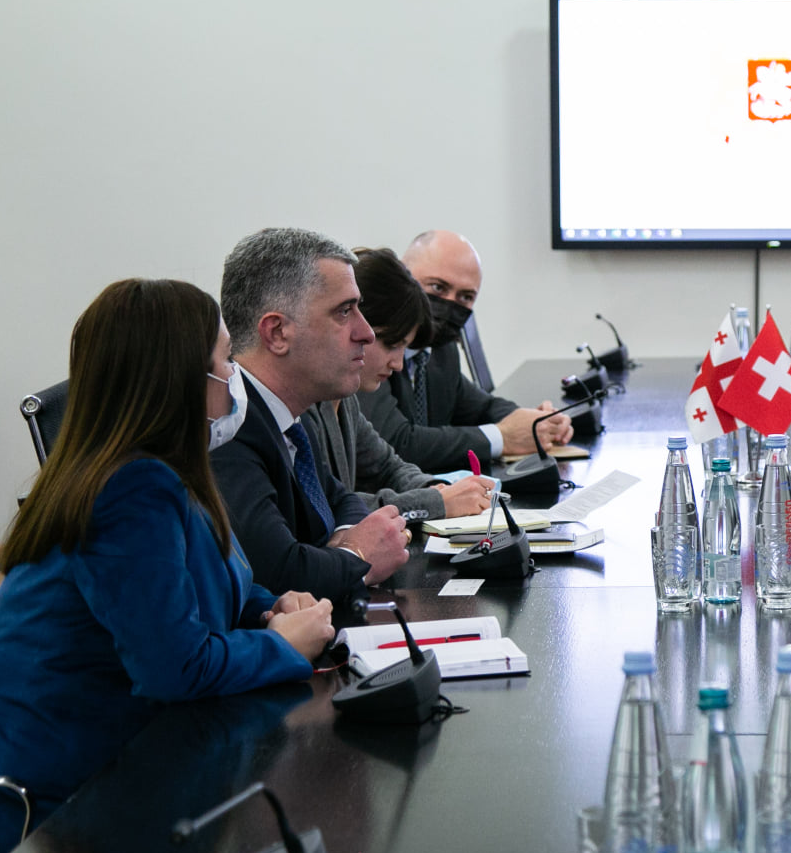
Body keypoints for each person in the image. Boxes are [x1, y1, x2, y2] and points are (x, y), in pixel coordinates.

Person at [0, 279, 336, 853]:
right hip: (62, 822)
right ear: (174, 381)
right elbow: (174, 668)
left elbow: (218, 579)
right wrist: (282, 645)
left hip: (129, 762)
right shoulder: (129, 492)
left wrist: (269, 609)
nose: (234, 378)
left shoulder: (163, 472)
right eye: (223, 362)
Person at [213, 228, 412, 611]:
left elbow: (340, 498)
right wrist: (358, 557)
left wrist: (346, 539)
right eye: (344, 312)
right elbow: (278, 574)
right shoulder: (227, 426)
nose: (366, 333)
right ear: (277, 333)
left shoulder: (288, 414)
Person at [303, 248, 497, 519]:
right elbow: (329, 505)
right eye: (391, 344)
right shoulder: (301, 406)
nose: (398, 364)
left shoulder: (344, 401)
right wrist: (436, 501)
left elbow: (389, 467)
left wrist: (436, 488)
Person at [359, 229, 574, 472]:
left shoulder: (441, 349)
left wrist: (538, 424)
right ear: (404, 278)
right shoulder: (365, 351)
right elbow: (396, 443)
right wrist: (502, 437)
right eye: (438, 287)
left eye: (465, 297)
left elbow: (480, 407)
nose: (449, 304)